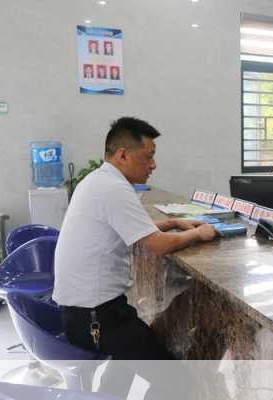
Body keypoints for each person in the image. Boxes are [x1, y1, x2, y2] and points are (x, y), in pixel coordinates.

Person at [53, 116, 219, 360]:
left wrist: (172, 222)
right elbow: (159, 246)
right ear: (123, 155)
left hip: (82, 312)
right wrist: (199, 233)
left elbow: (130, 228)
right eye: (148, 156)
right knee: (174, 376)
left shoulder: (98, 180)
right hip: (95, 319)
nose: (153, 165)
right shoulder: (113, 188)